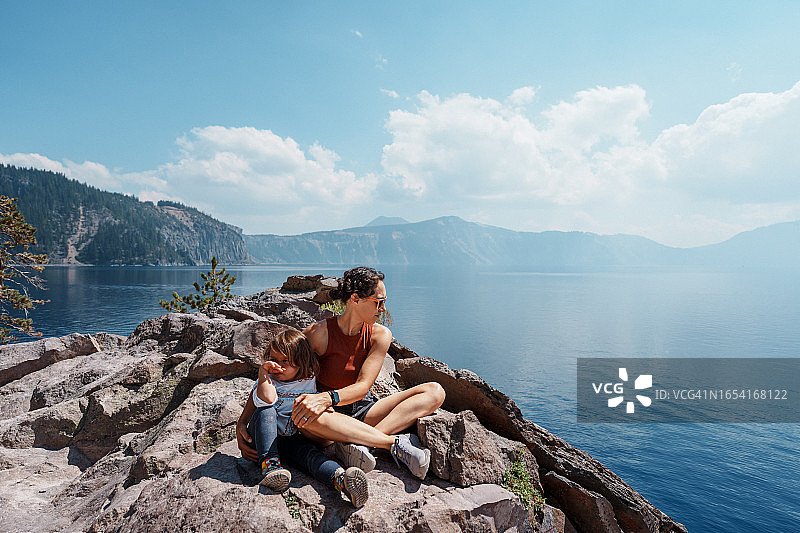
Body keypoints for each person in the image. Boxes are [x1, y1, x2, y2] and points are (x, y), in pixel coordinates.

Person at [238, 266, 446, 480]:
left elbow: (363, 387)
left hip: (361, 409)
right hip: (323, 418)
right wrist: (242, 422)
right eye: (379, 302)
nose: (383, 309)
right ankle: (377, 443)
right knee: (303, 412)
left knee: (435, 391)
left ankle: (361, 446)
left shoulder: (380, 335)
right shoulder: (318, 334)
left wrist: (327, 397)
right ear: (355, 299)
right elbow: (274, 372)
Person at [246, 329, 368, 507]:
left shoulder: (309, 380)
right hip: (262, 438)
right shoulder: (268, 381)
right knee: (268, 411)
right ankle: (270, 465)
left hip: (290, 440)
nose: (278, 365)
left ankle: (343, 481)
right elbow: (268, 400)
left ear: (300, 362)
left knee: (311, 456)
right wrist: (263, 373)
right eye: (274, 359)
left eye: (285, 361)